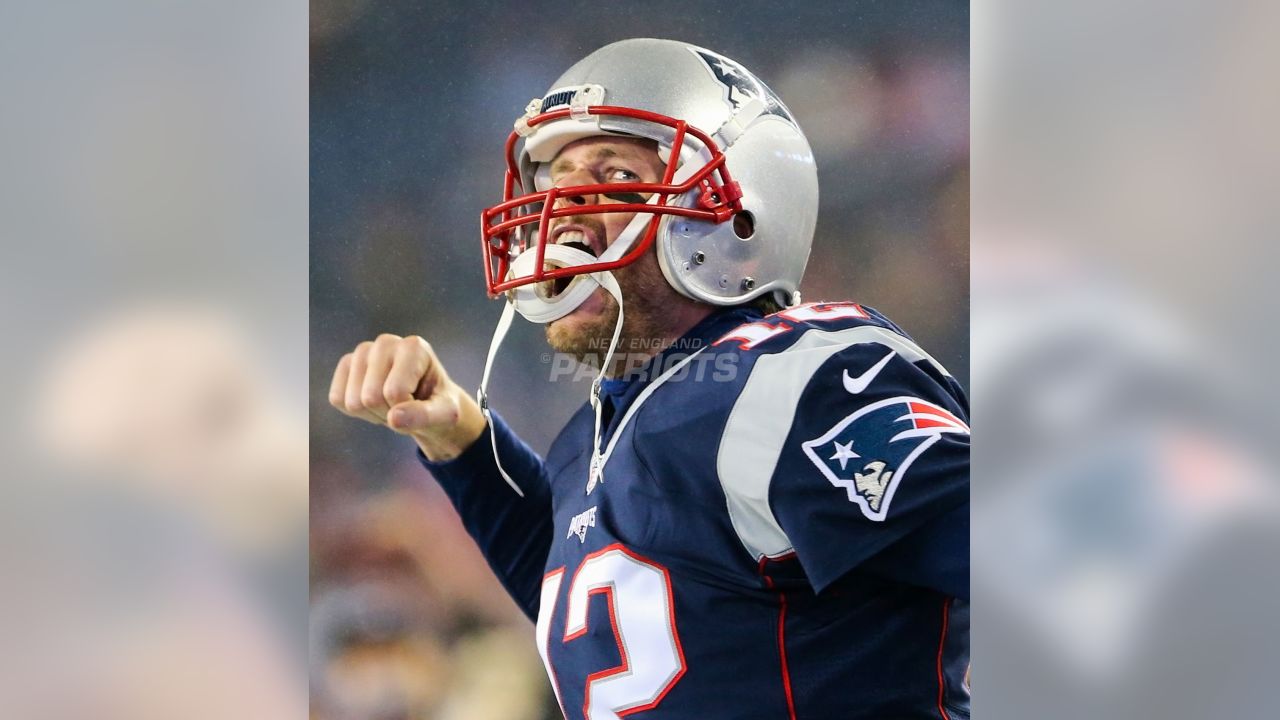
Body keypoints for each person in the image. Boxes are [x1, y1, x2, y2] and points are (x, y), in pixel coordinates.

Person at [330, 38, 969, 719]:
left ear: (736, 218)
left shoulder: (794, 378)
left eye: (609, 177)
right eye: (556, 184)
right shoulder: (602, 429)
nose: (564, 214)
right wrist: (464, 446)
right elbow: (603, 604)